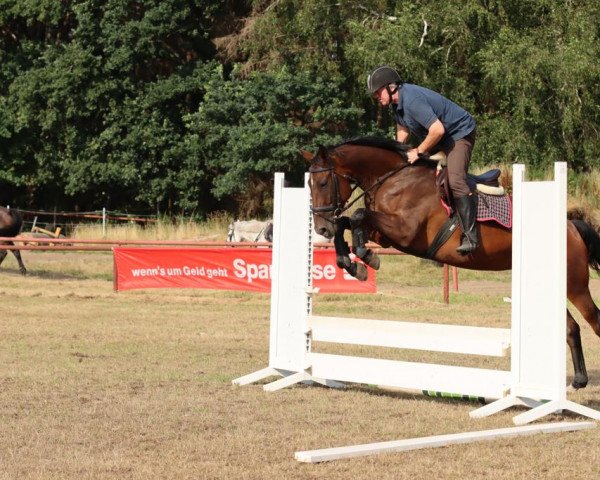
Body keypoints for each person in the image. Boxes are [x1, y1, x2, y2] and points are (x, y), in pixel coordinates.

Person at [366, 66, 478, 255]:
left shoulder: (412, 101)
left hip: (459, 134)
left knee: (455, 180)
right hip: (442, 138)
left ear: (390, 87)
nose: (376, 97)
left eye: (377, 92)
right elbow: (403, 129)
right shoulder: (397, 104)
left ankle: (471, 235)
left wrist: (418, 151)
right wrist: (395, 153)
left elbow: (437, 130)